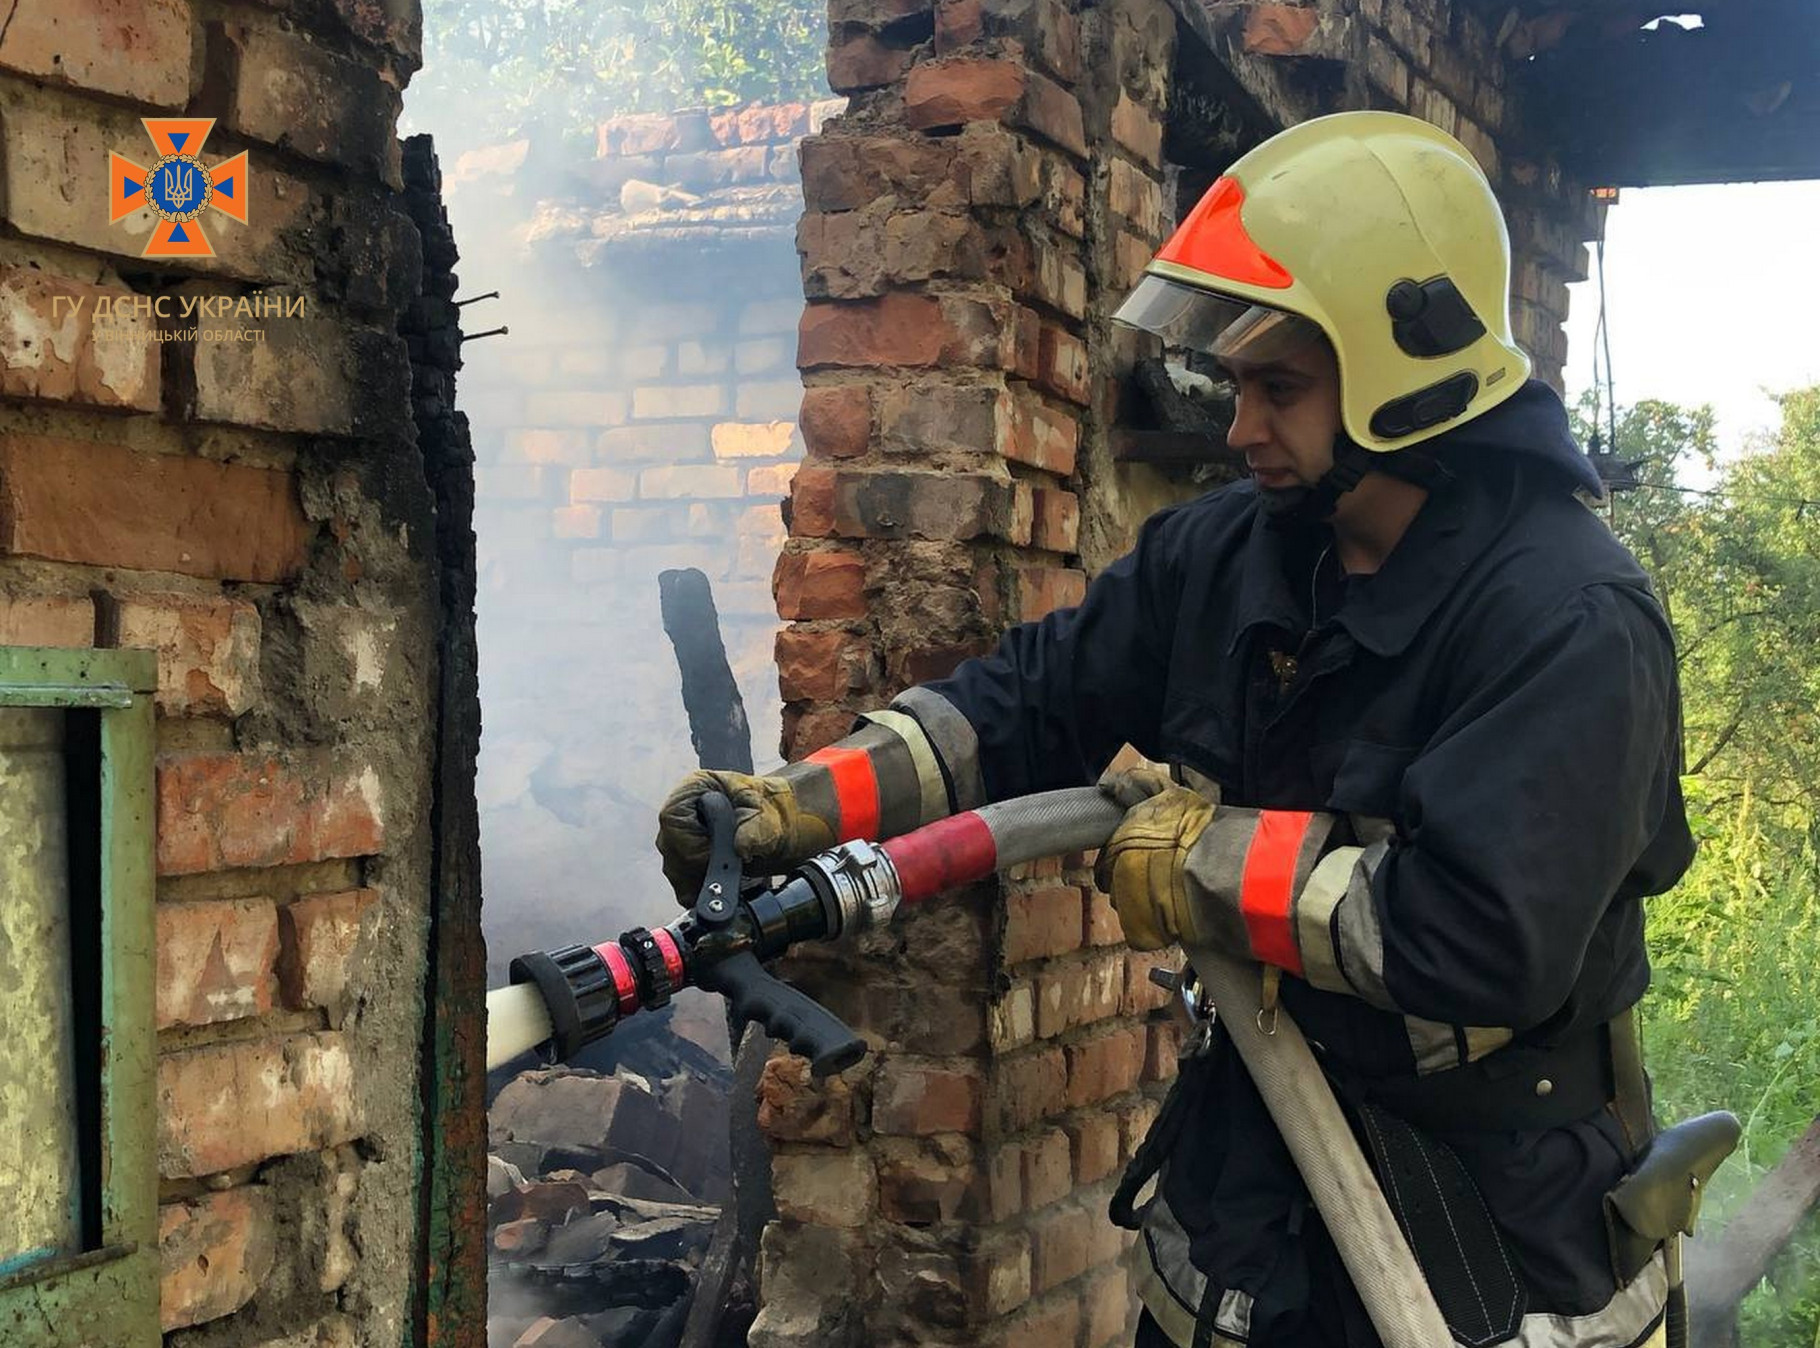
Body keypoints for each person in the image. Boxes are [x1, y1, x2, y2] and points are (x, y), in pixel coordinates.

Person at [657, 111, 1693, 1347]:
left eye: (1280, 388)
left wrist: (1200, 864)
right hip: (1250, 1179)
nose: (1240, 428)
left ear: (1402, 375)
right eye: (1236, 384)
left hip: (1482, 1224)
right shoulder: (1231, 554)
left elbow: (1473, 936)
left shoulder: (1567, 618)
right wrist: (808, 802)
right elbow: (1025, 702)